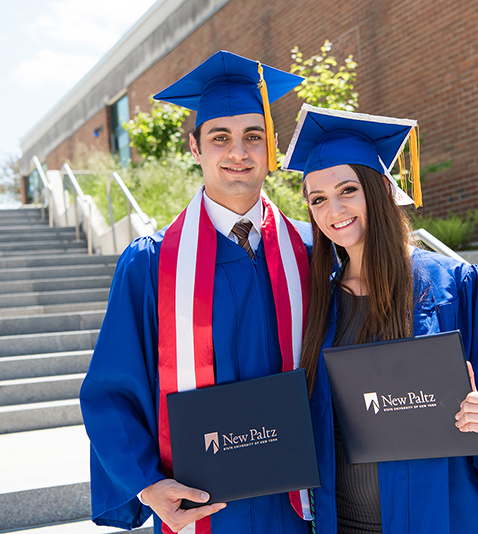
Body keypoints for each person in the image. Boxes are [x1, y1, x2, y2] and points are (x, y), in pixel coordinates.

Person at [282, 104, 478, 534]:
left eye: (348, 190)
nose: (333, 210)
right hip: (343, 524)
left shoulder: (452, 284)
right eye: (318, 199)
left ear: (383, 190)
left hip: (440, 517)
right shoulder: (318, 300)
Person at [79, 51, 312, 533]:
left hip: (303, 507)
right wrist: (146, 484)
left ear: (271, 146)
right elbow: (110, 387)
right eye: (220, 138)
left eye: (253, 137)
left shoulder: (311, 251)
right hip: (207, 512)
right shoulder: (152, 263)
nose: (238, 152)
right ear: (194, 147)